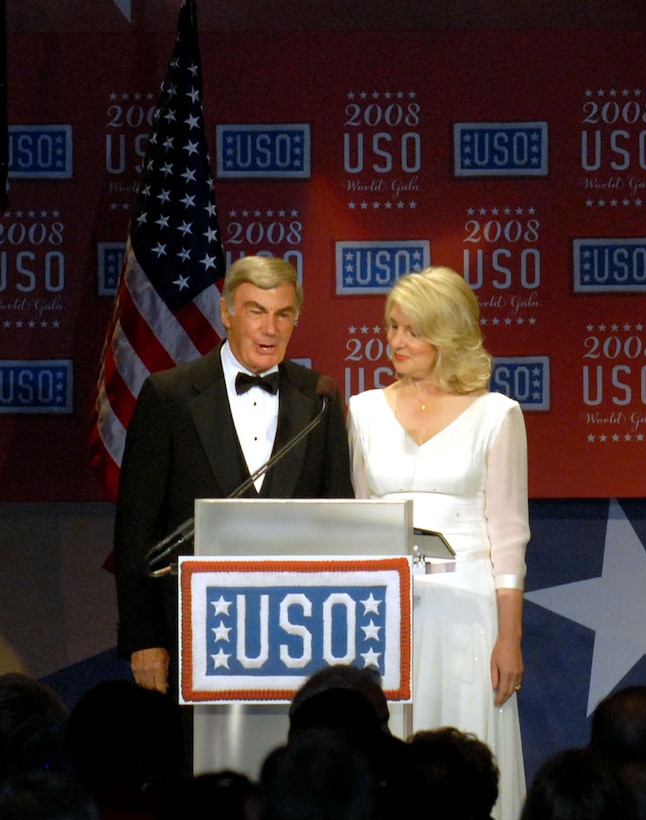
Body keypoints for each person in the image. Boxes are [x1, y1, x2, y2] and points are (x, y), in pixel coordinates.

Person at [114, 255, 352, 695]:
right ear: (226, 313)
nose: (271, 328)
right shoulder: (169, 397)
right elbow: (136, 531)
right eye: (256, 311)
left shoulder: (318, 397)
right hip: (195, 636)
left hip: (298, 638)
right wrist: (144, 639)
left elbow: (339, 522)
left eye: (283, 314)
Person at [347, 266, 528, 820]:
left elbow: (509, 536)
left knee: (462, 750)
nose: (396, 341)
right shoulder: (361, 411)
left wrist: (510, 638)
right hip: (386, 615)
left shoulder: (497, 415)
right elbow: (356, 523)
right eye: (392, 327)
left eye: (413, 330)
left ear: (448, 334)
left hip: (468, 615)